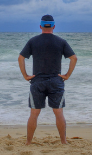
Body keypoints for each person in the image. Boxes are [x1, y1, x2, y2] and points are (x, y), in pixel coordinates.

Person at [18, 14, 77, 145]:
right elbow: (74, 58)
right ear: (54, 26)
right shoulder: (61, 41)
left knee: (34, 114)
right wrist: (66, 75)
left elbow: (21, 58)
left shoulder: (33, 41)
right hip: (56, 81)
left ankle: (28, 142)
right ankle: (63, 141)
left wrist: (25, 75)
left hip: (37, 81)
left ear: (40, 26)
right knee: (59, 113)